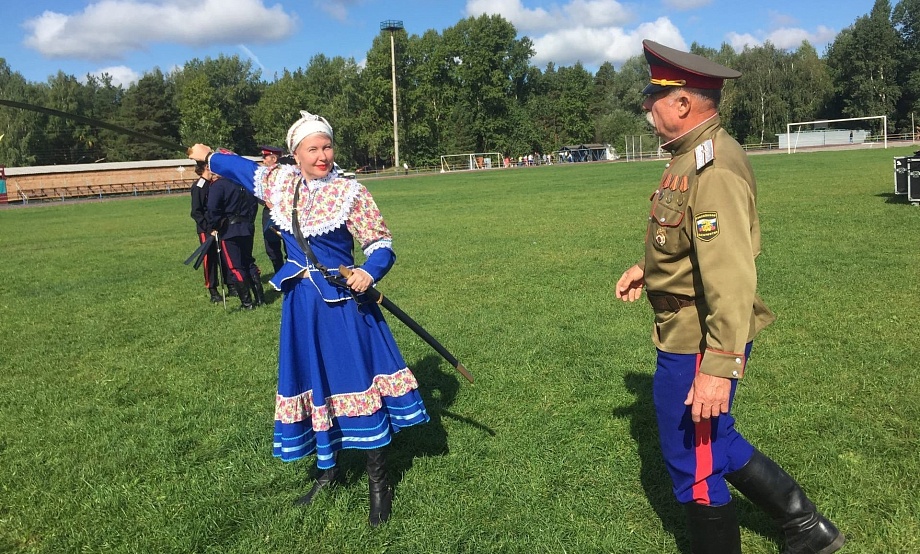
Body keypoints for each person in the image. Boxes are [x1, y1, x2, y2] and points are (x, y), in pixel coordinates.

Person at [614, 40, 845, 554]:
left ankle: (798, 527)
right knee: (712, 439)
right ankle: (806, 526)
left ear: (682, 103)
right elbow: (689, 244)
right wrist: (649, 269)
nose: (646, 104)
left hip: (700, 338)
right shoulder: (690, 155)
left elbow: (732, 275)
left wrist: (718, 365)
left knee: (692, 462)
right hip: (691, 330)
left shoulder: (712, 168)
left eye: (654, 94)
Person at [187, 110, 429, 527]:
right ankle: (328, 472)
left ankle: (379, 482)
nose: (322, 156)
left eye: (327, 146)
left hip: (343, 305)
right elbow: (239, 168)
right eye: (312, 149)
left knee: (357, 382)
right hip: (301, 306)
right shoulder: (279, 183)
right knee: (316, 384)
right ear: (295, 155)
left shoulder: (351, 191)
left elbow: (380, 243)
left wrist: (368, 271)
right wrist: (209, 156)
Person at [204, 165, 262, 309]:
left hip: (229, 229)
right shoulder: (245, 183)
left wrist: (214, 225)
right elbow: (253, 205)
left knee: (235, 266)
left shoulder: (219, 185)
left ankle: (247, 303)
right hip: (246, 227)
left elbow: (212, 208)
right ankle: (260, 297)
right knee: (248, 262)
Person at [190, 162, 224, 303]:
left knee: (223, 256)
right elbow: (196, 212)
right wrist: (208, 229)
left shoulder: (213, 184)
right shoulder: (199, 186)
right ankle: (212, 289)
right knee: (209, 259)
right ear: (206, 167)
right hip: (206, 229)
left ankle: (231, 284)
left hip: (218, 227)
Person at [258, 146, 288, 274]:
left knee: (289, 245)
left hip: (284, 212)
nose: (263, 161)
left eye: (265, 157)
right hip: (268, 212)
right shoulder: (263, 174)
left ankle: (292, 274)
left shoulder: (285, 173)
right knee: (271, 246)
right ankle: (279, 273)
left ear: (274, 158)